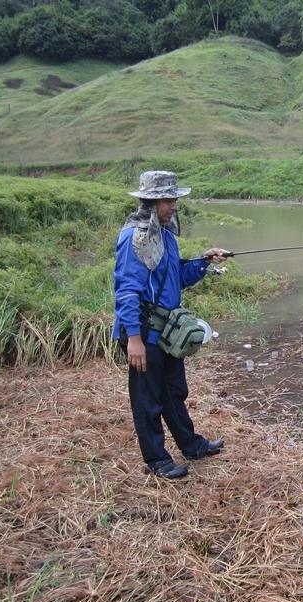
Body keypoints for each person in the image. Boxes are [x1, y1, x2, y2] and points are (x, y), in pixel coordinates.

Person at [113, 171, 232, 479]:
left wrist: (204, 261)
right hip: (143, 331)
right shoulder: (134, 238)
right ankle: (156, 460)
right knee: (147, 398)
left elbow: (176, 277)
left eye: (174, 199)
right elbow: (126, 290)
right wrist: (134, 340)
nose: (173, 206)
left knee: (174, 391)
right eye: (167, 200)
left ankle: (191, 445)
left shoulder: (164, 235)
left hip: (167, 333)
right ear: (150, 202)